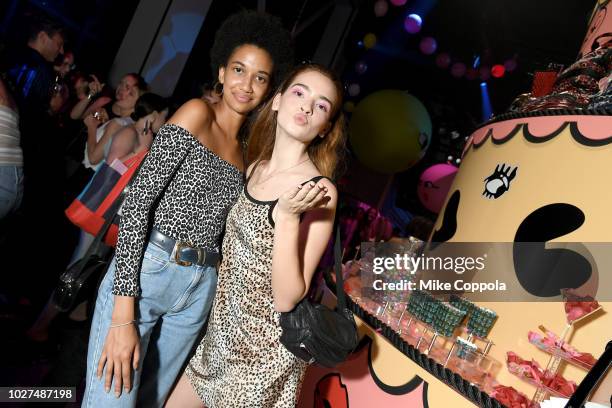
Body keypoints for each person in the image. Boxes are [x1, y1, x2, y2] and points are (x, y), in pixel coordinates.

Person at [82, 10, 293, 408]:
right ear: (221, 71)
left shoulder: (252, 154)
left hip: (200, 289)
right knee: (111, 400)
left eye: (260, 77)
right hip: (149, 269)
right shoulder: (198, 113)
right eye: (239, 70)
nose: (246, 85)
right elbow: (137, 204)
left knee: (149, 402)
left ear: (269, 91)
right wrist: (124, 311)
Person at [166, 63, 346, 408]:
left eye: (321, 105)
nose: (307, 107)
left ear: (325, 128)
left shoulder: (320, 190)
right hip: (216, 338)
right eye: (299, 93)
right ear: (277, 101)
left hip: (262, 359)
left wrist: (289, 217)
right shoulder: (253, 168)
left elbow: (286, 297)